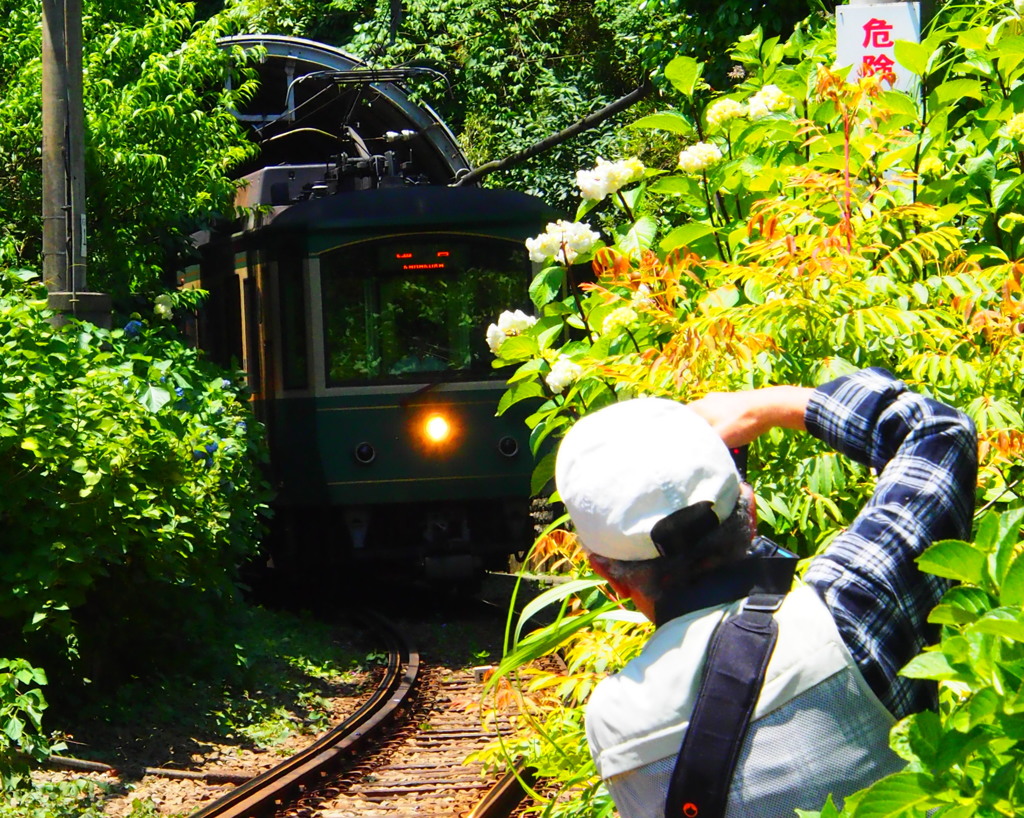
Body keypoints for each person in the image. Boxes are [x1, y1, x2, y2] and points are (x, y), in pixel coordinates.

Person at [553, 368, 977, 818]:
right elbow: (937, 432)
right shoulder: (851, 606)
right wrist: (765, 406)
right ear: (751, 511)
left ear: (610, 578)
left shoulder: (613, 723)